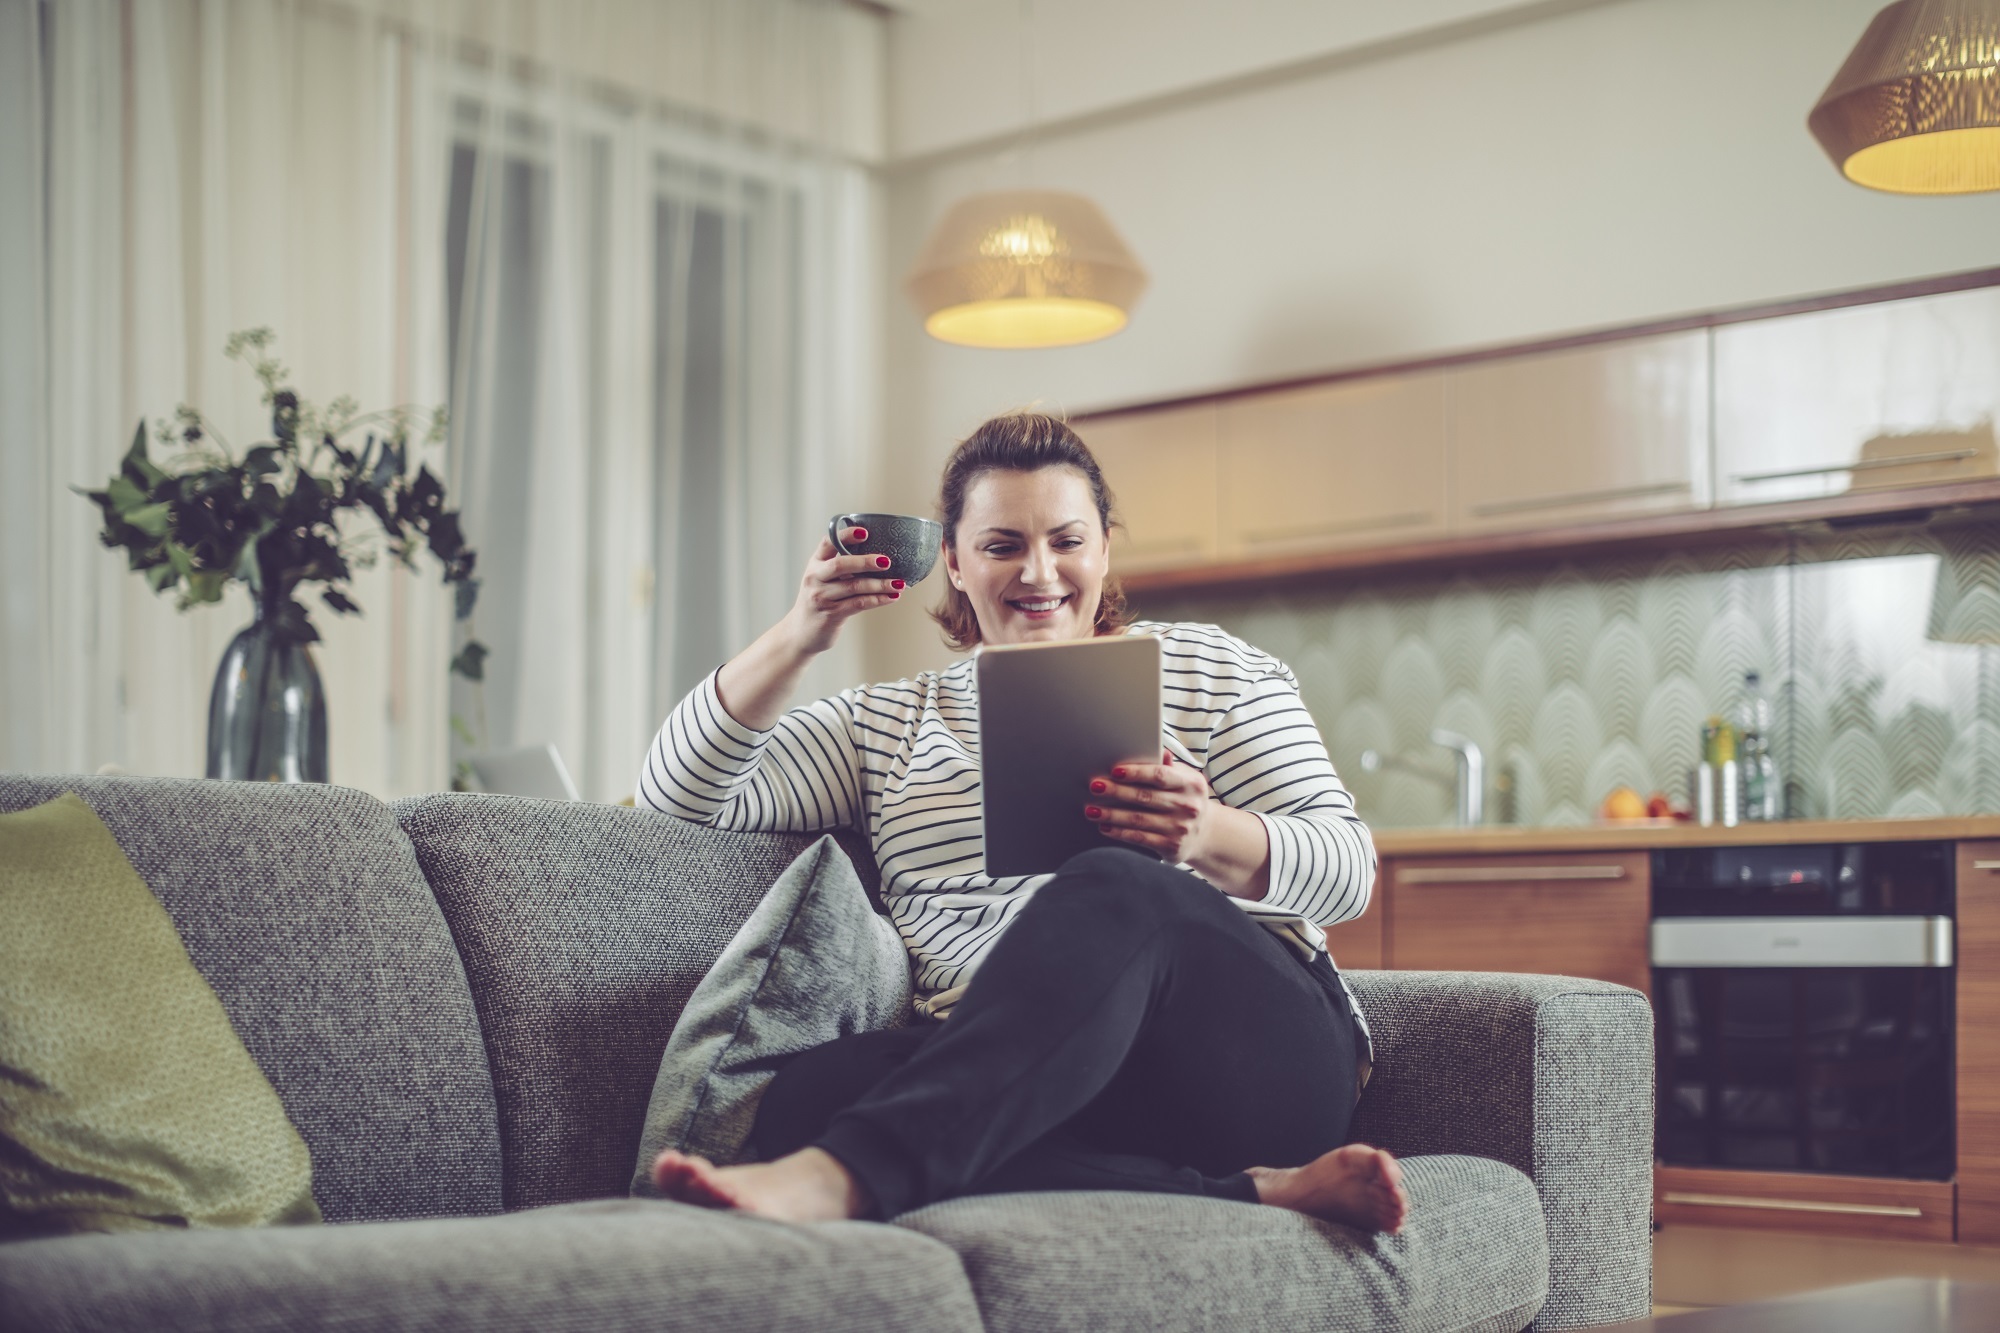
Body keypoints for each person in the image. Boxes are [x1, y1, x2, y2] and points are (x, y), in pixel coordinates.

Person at [637, 411, 1406, 1232]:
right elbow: (677, 798)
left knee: (1118, 883)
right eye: (1003, 545)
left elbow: (1348, 870)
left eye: (1066, 541)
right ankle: (1252, 1194)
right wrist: (798, 636)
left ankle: (850, 1175)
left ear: (1105, 549)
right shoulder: (884, 725)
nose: (1039, 572)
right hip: (1018, 1081)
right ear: (957, 565)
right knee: (808, 1094)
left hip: (1238, 1057)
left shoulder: (1211, 668)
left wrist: (1209, 833)